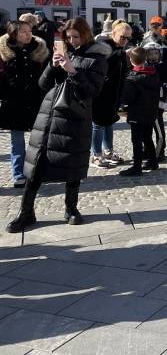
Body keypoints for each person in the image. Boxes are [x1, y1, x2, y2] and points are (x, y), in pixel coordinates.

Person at [6, 17, 107, 233]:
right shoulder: (65, 52)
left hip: (75, 115)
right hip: (49, 113)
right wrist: (52, 66)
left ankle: (71, 208)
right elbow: (43, 84)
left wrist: (72, 70)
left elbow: (92, 91)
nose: (72, 41)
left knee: (72, 163)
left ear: (86, 34)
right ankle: (26, 212)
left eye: (76, 36)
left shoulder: (97, 58)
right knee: (36, 163)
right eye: (68, 37)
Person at [0, 20, 49, 187]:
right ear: (13, 34)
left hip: (36, 101)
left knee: (39, 141)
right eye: (23, 31)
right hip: (13, 103)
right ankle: (18, 174)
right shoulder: (5, 53)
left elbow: (46, 76)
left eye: (29, 30)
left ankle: (37, 171)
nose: (28, 34)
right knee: (17, 141)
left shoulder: (39, 49)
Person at [90, 20, 132, 168]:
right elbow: (103, 67)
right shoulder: (103, 47)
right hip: (100, 93)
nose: (125, 41)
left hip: (114, 93)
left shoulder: (119, 50)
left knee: (109, 122)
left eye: (128, 38)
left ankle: (108, 151)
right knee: (98, 124)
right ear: (113, 34)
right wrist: (121, 54)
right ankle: (96, 155)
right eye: (122, 37)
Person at [118, 47, 160, 177]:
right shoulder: (154, 73)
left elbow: (127, 98)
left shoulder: (132, 78)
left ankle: (137, 167)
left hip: (136, 112)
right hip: (151, 111)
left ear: (131, 60)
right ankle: (153, 161)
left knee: (136, 140)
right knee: (147, 137)